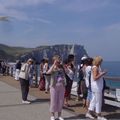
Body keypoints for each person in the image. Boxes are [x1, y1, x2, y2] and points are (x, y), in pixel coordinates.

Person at [46, 55, 66, 120]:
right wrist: (54, 65)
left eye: (59, 60)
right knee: (53, 101)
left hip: (62, 86)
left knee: (60, 101)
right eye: (57, 61)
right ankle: (52, 115)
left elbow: (68, 72)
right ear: (54, 61)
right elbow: (48, 72)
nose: (58, 62)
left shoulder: (62, 68)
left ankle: (59, 115)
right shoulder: (53, 67)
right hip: (54, 86)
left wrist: (63, 66)